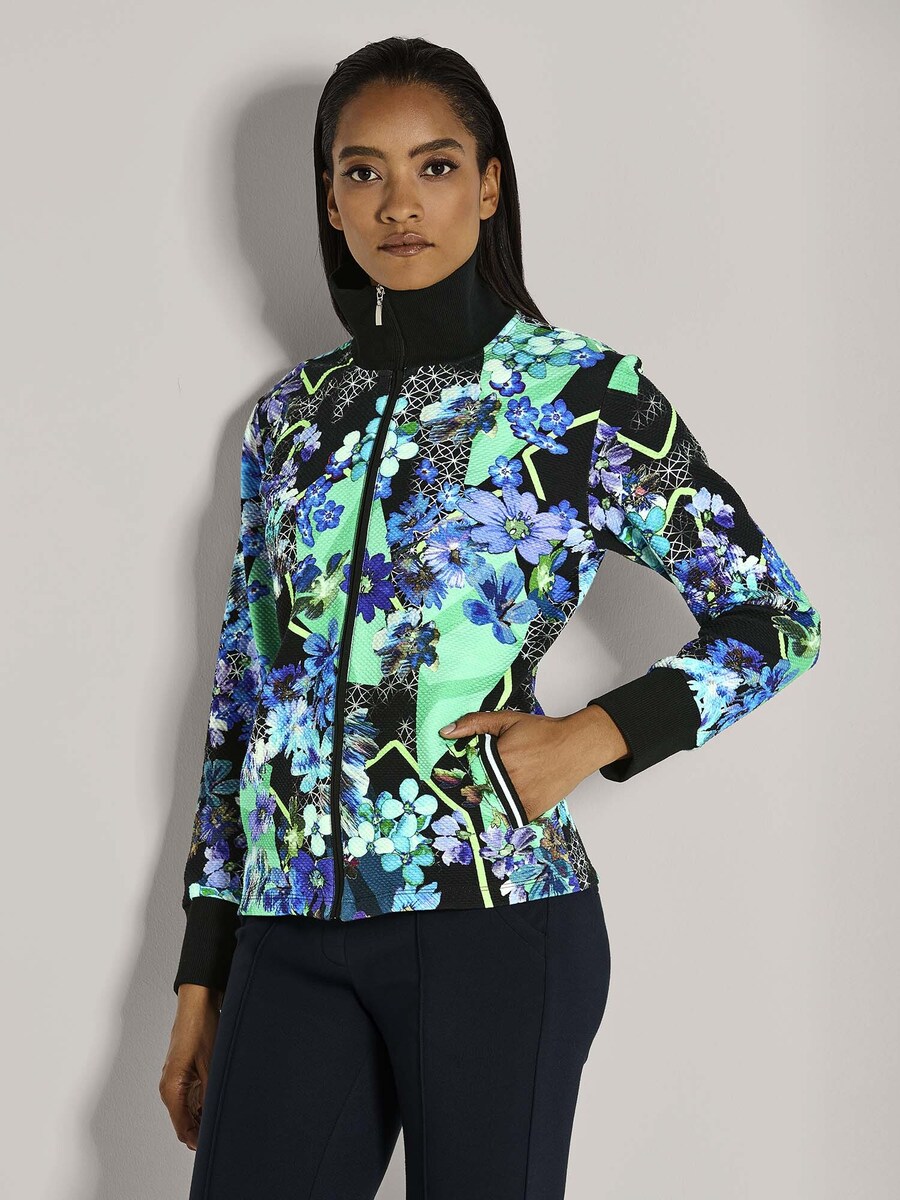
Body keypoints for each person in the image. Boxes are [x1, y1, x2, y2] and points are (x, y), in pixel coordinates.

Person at [159, 35, 821, 1200]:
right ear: (330, 198)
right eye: (363, 171)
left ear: (489, 185)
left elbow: (775, 619)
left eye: (435, 165)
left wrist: (592, 737)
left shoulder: (582, 398)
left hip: (492, 922)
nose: (398, 203)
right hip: (289, 931)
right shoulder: (292, 419)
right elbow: (240, 698)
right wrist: (202, 973)